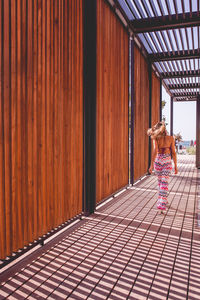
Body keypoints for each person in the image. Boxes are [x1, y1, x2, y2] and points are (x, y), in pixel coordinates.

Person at [147, 122, 178, 214]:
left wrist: (151, 165)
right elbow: (174, 153)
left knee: (161, 182)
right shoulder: (171, 138)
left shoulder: (156, 138)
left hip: (158, 161)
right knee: (163, 183)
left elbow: (154, 152)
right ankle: (162, 201)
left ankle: (162, 201)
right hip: (167, 161)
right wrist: (175, 165)